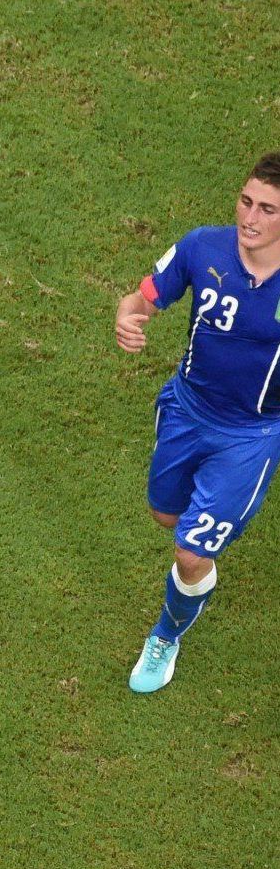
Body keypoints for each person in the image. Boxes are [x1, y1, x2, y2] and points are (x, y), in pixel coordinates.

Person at [115, 152, 280, 692]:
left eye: (267, 210)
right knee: (165, 516)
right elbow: (142, 298)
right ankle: (199, 543)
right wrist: (129, 317)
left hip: (249, 438)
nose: (249, 219)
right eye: (246, 201)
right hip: (185, 410)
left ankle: (166, 634)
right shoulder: (201, 247)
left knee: (189, 550)